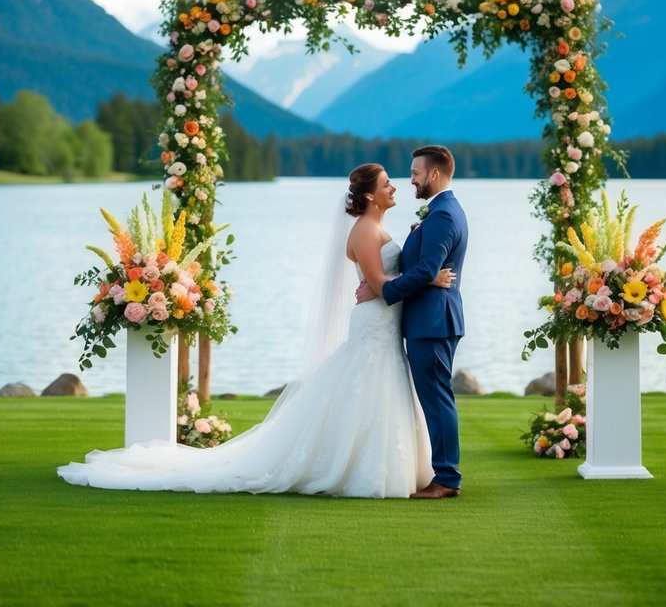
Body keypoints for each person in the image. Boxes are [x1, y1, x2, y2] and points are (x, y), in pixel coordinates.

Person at [56, 163, 454, 498]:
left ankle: (384, 465)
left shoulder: (374, 228)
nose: (394, 186)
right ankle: (359, 468)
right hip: (375, 325)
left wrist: (400, 280)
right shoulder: (365, 231)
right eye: (386, 183)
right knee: (369, 386)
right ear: (369, 196)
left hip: (382, 324)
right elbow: (383, 288)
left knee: (375, 390)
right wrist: (428, 280)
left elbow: (382, 283)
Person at [357, 145, 468, 500]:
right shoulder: (439, 213)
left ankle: (447, 478)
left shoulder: (444, 216)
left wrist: (381, 291)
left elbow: (425, 271)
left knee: (437, 400)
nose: (411, 180)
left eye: (416, 173)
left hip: (433, 322)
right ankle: (444, 473)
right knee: (435, 398)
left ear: (434, 174)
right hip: (429, 320)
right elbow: (425, 269)